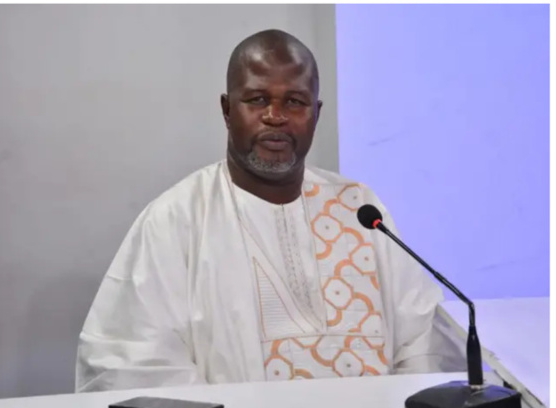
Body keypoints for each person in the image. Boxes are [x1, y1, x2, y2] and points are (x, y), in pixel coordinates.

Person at [75, 29, 464, 392]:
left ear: (316, 113)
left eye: (294, 102)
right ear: (227, 110)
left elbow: (423, 344)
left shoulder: (360, 208)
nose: (275, 116)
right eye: (257, 99)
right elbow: (134, 364)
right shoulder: (177, 219)